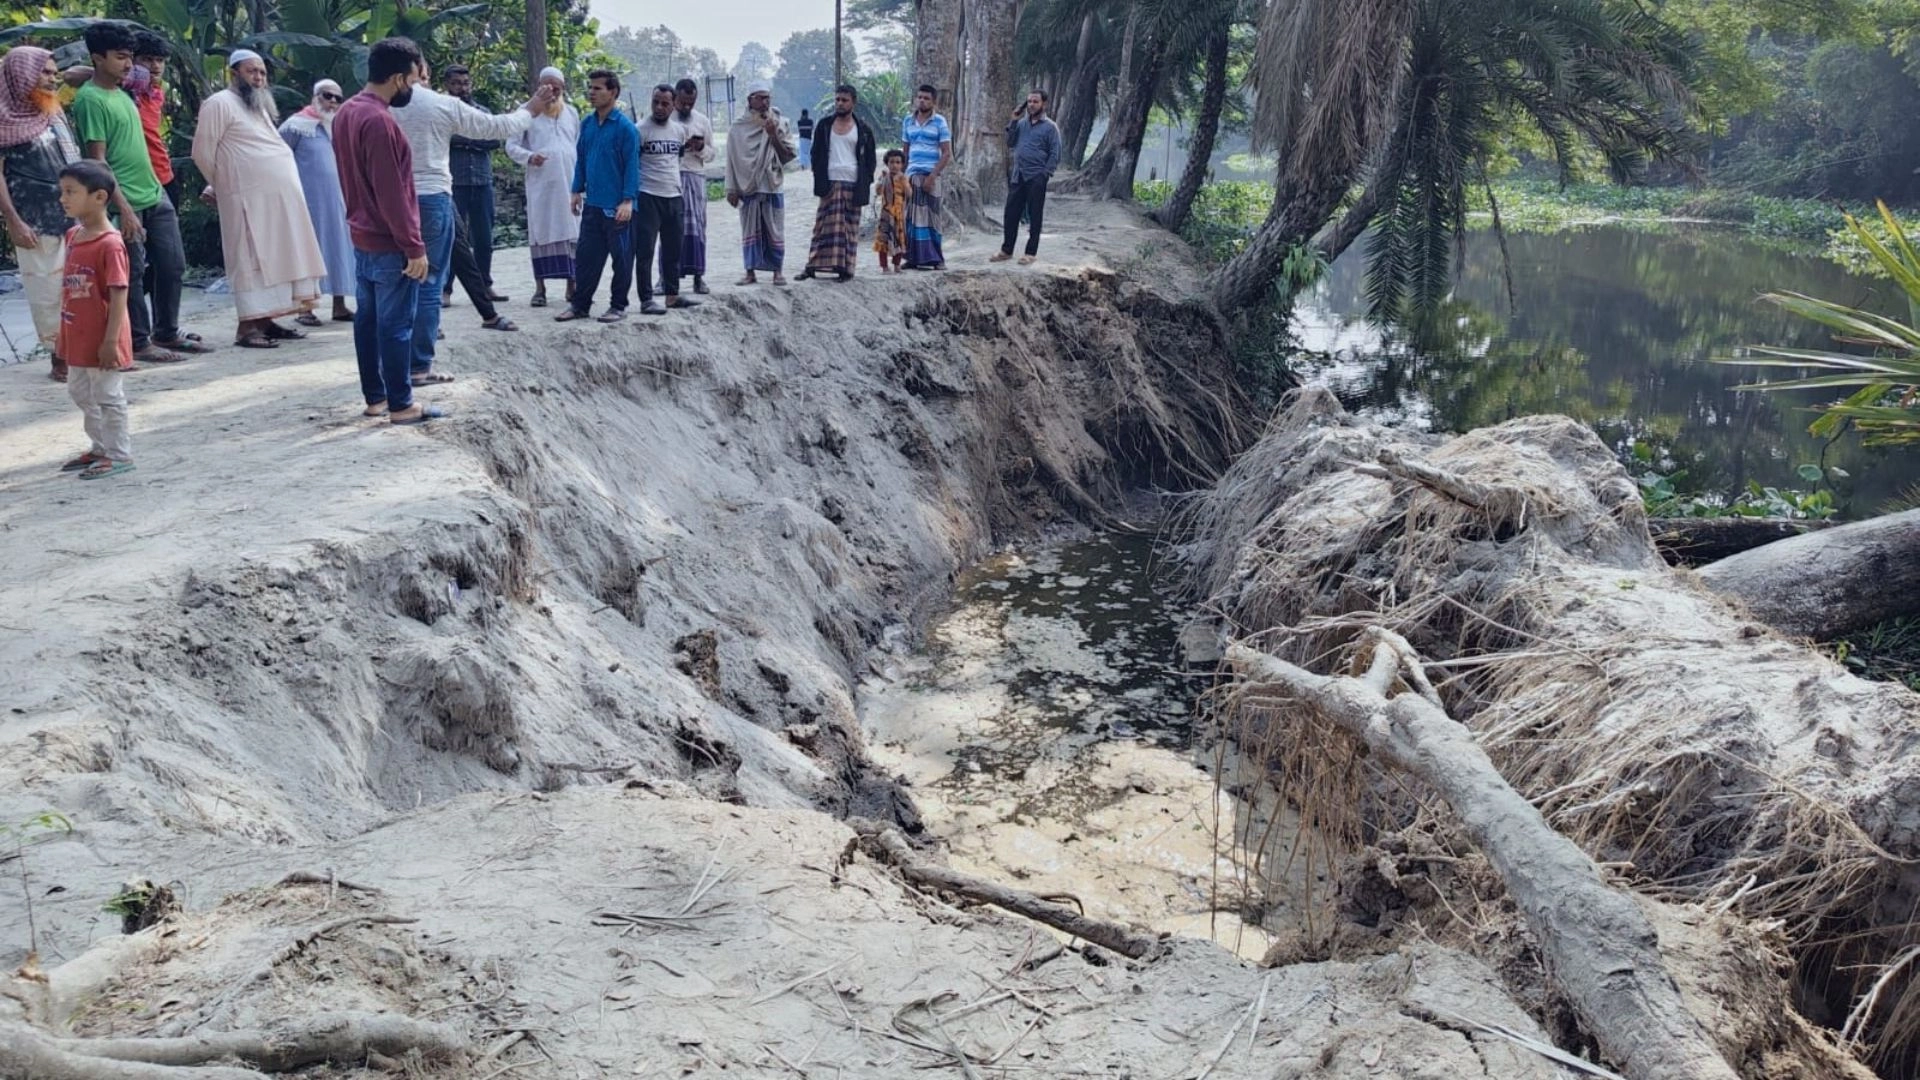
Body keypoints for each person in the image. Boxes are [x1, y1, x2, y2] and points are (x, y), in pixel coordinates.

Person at [391, 59, 549, 381]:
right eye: (424, 75)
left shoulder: (374, 106)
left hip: (399, 197)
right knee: (429, 278)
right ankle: (419, 363)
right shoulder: (438, 104)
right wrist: (531, 108)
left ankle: (484, 314)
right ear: (416, 74)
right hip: (433, 195)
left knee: (452, 256)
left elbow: (488, 138)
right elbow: (495, 128)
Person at [70, 21, 203, 364]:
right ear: (98, 58)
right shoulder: (90, 100)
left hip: (154, 192)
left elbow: (148, 78)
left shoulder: (124, 92)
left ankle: (167, 332)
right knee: (132, 274)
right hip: (124, 200)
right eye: (120, 57)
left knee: (173, 266)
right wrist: (125, 209)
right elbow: (98, 162)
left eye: (130, 56)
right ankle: (140, 341)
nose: (129, 64)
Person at [331, 36, 437, 425]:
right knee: (396, 325)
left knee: (368, 321)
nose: (416, 85)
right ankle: (401, 404)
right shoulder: (378, 121)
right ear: (398, 78)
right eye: (414, 78)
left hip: (362, 236)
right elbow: (392, 192)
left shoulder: (347, 112)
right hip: (389, 242)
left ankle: (376, 398)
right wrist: (414, 246)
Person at [191, 50, 329, 349]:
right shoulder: (218, 103)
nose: (259, 78)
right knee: (250, 259)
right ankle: (246, 328)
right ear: (234, 73)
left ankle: (265, 320)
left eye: (263, 72)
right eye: (252, 71)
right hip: (244, 198)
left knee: (279, 255)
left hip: (278, 200)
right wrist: (221, 186)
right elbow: (202, 152)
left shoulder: (257, 106)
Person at [0, 45, 79, 381]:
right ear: (21, 76)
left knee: (81, 286)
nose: (52, 79)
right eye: (44, 72)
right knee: (48, 291)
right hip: (34, 220)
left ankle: (83, 352)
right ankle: (60, 357)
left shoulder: (52, 112)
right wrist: (13, 221)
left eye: (53, 72)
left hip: (74, 215)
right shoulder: (3, 120)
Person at [54, 160, 135, 480]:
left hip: (104, 337)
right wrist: (64, 334)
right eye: (62, 192)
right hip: (78, 334)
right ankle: (100, 446)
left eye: (71, 192)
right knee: (80, 391)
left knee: (108, 396)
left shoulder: (110, 244)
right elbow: (70, 290)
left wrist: (111, 341)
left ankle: (119, 454)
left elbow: (118, 293)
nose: (63, 198)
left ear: (99, 197)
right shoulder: (73, 235)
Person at [559, 68, 638, 323]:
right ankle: (580, 305)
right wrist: (575, 190)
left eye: (597, 88)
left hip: (618, 207)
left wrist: (628, 200)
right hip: (593, 205)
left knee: (622, 260)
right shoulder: (588, 124)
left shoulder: (625, 128)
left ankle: (618, 306)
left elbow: (633, 167)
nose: (591, 93)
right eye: (590, 88)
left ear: (613, 92)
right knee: (586, 258)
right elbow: (581, 159)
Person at [279, 79, 355, 325]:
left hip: (338, 202)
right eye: (326, 95)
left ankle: (339, 306)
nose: (332, 102)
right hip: (308, 204)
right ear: (315, 96)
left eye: (337, 98)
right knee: (308, 254)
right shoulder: (295, 126)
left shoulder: (339, 128)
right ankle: (305, 309)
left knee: (339, 250)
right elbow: (276, 156)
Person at [506, 67, 578, 308]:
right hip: (541, 186)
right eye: (547, 87)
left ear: (563, 89)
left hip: (569, 182)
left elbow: (576, 145)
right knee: (540, 232)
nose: (551, 92)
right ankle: (540, 289)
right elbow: (511, 146)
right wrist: (529, 157)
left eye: (556, 88)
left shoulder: (572, 113)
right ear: (539, 86)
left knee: (572, 231)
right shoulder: (525, 112)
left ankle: (572, 286)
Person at [798, 84, 875, 283]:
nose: (840, 103)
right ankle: (812, 266)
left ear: (853, 102)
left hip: (853, 184)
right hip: (829, 182)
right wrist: (818, 173)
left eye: (844, 100)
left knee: (848, 228)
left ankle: (845, 269)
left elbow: (870, 160)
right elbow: (815, 153)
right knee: (822, 226)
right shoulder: (824, 126)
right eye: (838, 99)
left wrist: (866, 180)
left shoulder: (863, 130)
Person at [443, 64, 506, 300]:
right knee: (451, 237)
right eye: (456, 83)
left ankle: (484, 286)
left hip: (482, 182)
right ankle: (445, 289)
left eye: (465, 83)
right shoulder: (442, 112)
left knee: (484, 239)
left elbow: (495, 140)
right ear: (447, 85)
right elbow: (445, 138)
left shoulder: (482, 111)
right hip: (454, 183)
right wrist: (475, 139)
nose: (462, 88)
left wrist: (463, 140)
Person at [633, 83, 696, 316]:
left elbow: (677, 158)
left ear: (673, 105)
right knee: (645, 250)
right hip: (648, 195)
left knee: (673, 249)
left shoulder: (679, 131)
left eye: (665, 103)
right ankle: (646, 299)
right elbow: (633, 162)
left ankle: (672, 295)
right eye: (655, 102)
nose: (659, 107)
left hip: (674, 195)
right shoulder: (639, 130)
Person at [723, 81, 794, 286]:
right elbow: (731, 159)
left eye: (767, 98)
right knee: (749, 229)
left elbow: (788, 156)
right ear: (750, 100)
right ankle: (750, 272)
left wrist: (772, 135)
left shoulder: (779, 123)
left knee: (774, 229)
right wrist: (731, 188)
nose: (765, 102)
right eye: (760, 98)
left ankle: (777, 271)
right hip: (747, 184)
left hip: (772, 184)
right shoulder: (738, 127)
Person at [993, 89, 1061, 266]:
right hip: (1018, 175)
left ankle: (1030, 253)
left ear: (1044, 104)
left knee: (1035, 215)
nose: (1031, 105)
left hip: (1036, 176)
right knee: (1011, 214)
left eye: (1035, 102)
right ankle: (1006, 250)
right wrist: (1014, 120)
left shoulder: (1050, 127)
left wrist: (1045, 174)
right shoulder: (1022, 124)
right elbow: (1010, 142)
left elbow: (1055, 153)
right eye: (1029, 101)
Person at [665, 77, 713, 295]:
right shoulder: (665, 119)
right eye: (683, 102)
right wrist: (681, 147)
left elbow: (712, 154)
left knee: (697, 227)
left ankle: (698, 278)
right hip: (671, 178)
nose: (686, 107)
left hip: (695, 177)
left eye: (690, 103)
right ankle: (665, 279)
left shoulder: (702, 121)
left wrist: (701, 147)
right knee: (669, 228)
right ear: (675, 98)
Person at [901, 83, 951, 270]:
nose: (922, 101)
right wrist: (900, 176)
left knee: (932, 218)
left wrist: (932, 176)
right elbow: (905, 153)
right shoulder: (908, 121)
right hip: (912, 175)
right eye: (920, 97)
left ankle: (937, 259)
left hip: (932, 175)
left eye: (926, 98)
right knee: (912, 218)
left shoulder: (940, 122)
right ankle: (912, 258)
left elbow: (946, 153)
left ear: (934, 101)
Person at [128, 31, 176, 210]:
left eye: (160, 60)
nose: (155, 66)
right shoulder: (122, 92)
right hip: (135, 180)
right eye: (147, 59)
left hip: (163, 174)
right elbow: (72, 75)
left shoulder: (157, 92)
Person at [872, 148, 909, 275]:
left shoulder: (903, 178)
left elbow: (909, 194)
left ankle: (897, 265)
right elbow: (878, 192)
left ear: (902, 164)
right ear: (887, 163)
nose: (895, 165)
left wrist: (904, 183)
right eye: (892, 162)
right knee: (883, 241)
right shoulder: (884, 177)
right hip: (886, 214)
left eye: (898, 162)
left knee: (899, 239)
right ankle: (884, 267)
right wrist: (882, 180)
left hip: (899, 215)